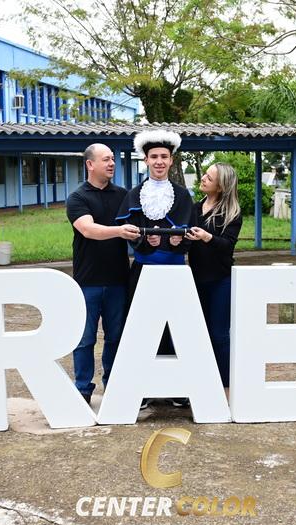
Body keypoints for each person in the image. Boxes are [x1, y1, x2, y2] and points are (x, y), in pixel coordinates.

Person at [116, 130, 197, 409]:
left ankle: (177, 387)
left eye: (164, 156)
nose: (159, 161)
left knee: (177, 329)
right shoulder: (134, 194)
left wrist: (179, 242)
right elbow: (128, 230)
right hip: (143, 270)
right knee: (141, 327)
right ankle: (142, 388)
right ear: (146, 160)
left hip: (176, 271)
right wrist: (143, 242)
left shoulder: (183, 195)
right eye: (154, 157)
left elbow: (190, 232)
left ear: (171, 160)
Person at [66, 144, 140, 405]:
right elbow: (88, 229)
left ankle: (114, 384)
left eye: (112, 159)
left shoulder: (123, 195)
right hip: (88, 281)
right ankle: (83, 389)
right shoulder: (78, 198)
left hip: (118, 280)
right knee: (85, 339)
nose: (111, 163)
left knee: (116, 337)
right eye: (106, 159)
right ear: (90, 164)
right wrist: (119, 231)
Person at [186, 163, 242, 390]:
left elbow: (227, 246)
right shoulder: (194, 208)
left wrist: (206, 237)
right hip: (195, 279)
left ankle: (225, 384)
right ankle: (202, 383)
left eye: (209, 178)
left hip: (220, 281)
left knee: (219, 335)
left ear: (220, 186)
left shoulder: (232, 214)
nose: (203, 179)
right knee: (198, 333)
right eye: (205, 175)